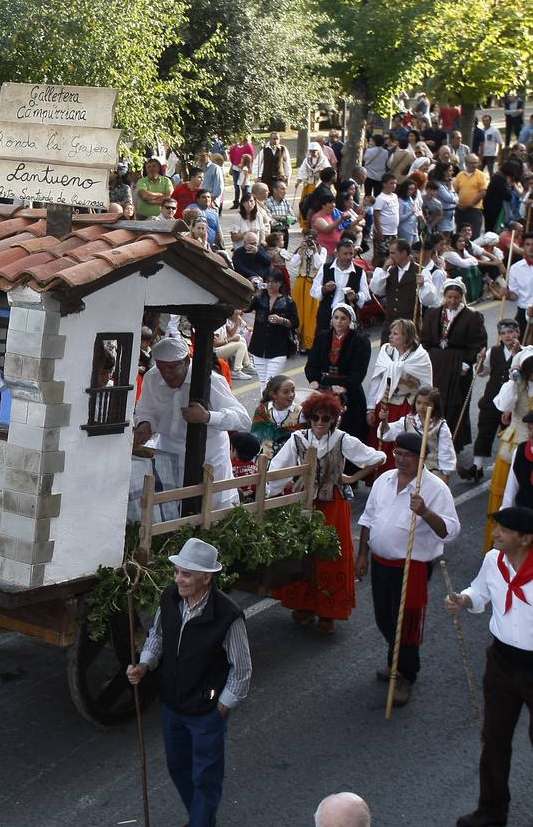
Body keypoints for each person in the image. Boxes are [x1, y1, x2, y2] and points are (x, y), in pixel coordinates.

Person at [126, 537, 250, 827]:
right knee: (178, 767)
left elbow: (242, 670)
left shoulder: (228, 616)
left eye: (186, 574)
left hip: (206, 712)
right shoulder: (170, 598)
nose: (178, 579)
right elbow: (157, 637)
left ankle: (200, 823)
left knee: (206, 778)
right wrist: (144, 665)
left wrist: (221, 708)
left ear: (206, 578)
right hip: (172, 705)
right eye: (177, 572)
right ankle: (200, 819)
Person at [355, 431, 460, 706]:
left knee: (405, 623)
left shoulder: (435, 488)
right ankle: (397, 659)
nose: (400, 460)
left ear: (421, 457)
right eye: (397, 453)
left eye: (408, 455)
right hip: (380, 563)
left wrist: (425, 512)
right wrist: (362, 555)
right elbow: (367, 519)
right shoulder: (383, 480)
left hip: (410, 566)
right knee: (384, 618)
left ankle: (404, 673)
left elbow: (450, 532)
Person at [446, 505, 533, 827]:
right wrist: (464, 600)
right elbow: (480, 591)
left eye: (504, 530)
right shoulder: (493, 561)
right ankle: (491, 812)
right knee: (494, 739)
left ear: (525, 539)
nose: (495, 533)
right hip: (501, 662)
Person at [269, 392, 385, 632]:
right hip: (302, 505)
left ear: (334, 419)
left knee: (329, 556)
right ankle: (304, 605)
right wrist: (269, 495)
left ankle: (328, 612)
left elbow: (377, 457)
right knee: (301, 554)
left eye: (326, 418)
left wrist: (351, 477)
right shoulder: (298, 439)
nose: (321, 422)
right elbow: (277, 469)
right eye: (316, 418)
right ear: (310, 418)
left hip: (332, 506)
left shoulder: (342, 440)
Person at [133, 338, 252, 509]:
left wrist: (207, 417)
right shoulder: (152, 377)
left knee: (212, 507)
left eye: (172, 367)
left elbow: (242, 419)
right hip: (168, 453)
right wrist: (145, 424)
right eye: (161, 367)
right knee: (170, 509)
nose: (166, 374)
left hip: (209, 456)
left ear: (186, 361)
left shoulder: (212, 380)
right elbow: (146, 409)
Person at [420, 279, 486, 451]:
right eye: (449, 297)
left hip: (458, 365)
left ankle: (452, 443)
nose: (453, 301)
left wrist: (467, 363)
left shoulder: (472, 316)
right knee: (434, 400)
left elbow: (478, 343)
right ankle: (430, 440)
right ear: (444, 296)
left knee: (455, 404)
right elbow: (425, 338)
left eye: (456, 298)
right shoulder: (433, 313)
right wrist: (424, 357)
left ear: (462, 297)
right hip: (435, 364)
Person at [366, 318, 432, 462]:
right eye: (391, 333)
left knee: (401, 443)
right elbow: (376, 379)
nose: (390, 336)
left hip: (406, 407)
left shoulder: (420, 356)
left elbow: (427, 386)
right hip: (384, 405)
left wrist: (424, 411)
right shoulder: (386, 351)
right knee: (381, 441)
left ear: (406, 337)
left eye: (395, 334)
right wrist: (370, 408)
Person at [467, 319, 523, 483]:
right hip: (492, 400)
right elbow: (482, 372)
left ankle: (511, 470)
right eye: (503, 333)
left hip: (513, 403)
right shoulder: (494, 351)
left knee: (510, 438)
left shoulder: (524, 352)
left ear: (517, 333)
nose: (507, 336)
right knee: (484, 431)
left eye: (511, 332)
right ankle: (477, 468)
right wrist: (480, 360)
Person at [370, 239, 434, 340]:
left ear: (403, 253)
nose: (390, 256)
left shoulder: (421, 272)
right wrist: (384, 268)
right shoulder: (389, 271)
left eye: (393, 253)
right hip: (390, 326)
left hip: (409, 326)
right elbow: (376, 290)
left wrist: (422, 286)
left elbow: (429, 300)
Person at [247, 270, 297, 389]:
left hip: (278, 348)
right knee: (263, 383)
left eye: (274, 282)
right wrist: (253, 293)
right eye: (268, 282)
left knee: (271, 383)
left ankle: (269, 406)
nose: (270, 285)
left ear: (280, 284)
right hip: (259, 347)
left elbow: (295, 323)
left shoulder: (288, 301)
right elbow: (245, 308)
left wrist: (281, 320)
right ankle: (265, 407)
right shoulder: (259, 299)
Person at [310, 237, 369, 338]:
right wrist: (324, 289)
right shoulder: (325, 268)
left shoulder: (359, 272)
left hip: (347, 317)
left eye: (351, 253)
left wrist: (356, 296)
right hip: (327, 314)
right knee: (324, 345)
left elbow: (366, 295)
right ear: (337, 253)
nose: (348, 257)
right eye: (345, 254)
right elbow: (314, 291)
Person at [290, 233, 326, 353]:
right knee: (298, 312)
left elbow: (320, 265)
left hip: (313, 283)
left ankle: (309, 343)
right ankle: (297, 342)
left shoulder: (322, 250)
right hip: (301, 282)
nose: (310, 242)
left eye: (312, 240)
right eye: (307, 240)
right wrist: (300, 250)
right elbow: (292, 264)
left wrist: (315, 251)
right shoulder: (301, 249)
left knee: (311, 313)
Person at [249, 375, 302, 458]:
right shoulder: (262, 411)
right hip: (264, 459)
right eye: (286, 392)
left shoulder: (300, 413)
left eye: (293, 390)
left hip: (290, 459)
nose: (291, 395)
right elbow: (255, 435)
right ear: (274, 394)